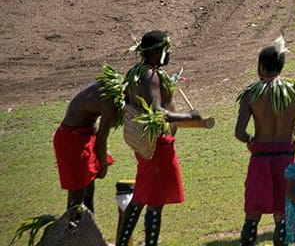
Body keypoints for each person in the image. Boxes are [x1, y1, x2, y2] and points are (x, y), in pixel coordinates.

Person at [117, 30, 206, 246]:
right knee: (154, 201)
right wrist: (190, 116)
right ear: (156, 52)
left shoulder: (136, 73)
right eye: (167, 49)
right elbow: (158, 111)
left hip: (147, 145)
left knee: (140, 196)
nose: (170, 53)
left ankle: (122, 243)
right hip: (158, 146)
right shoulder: (150, 75)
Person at [235, 38, 295, 246]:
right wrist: (294, 129)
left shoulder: (252, 93)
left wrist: (250, 140)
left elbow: (239, 132)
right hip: (286, 158)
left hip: (260, 158)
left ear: (261, 66)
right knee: (283, 213)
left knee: (252, 213)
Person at [54, 64, 123, 212]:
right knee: (77, 193)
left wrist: (102, 153)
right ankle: (72, 232)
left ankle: (88, 229)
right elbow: (102, 138)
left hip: (84, 136)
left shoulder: (108, 87)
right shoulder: (110, 101)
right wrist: (103, 164)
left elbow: (92, 119)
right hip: (71, 141)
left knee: (88, 188)